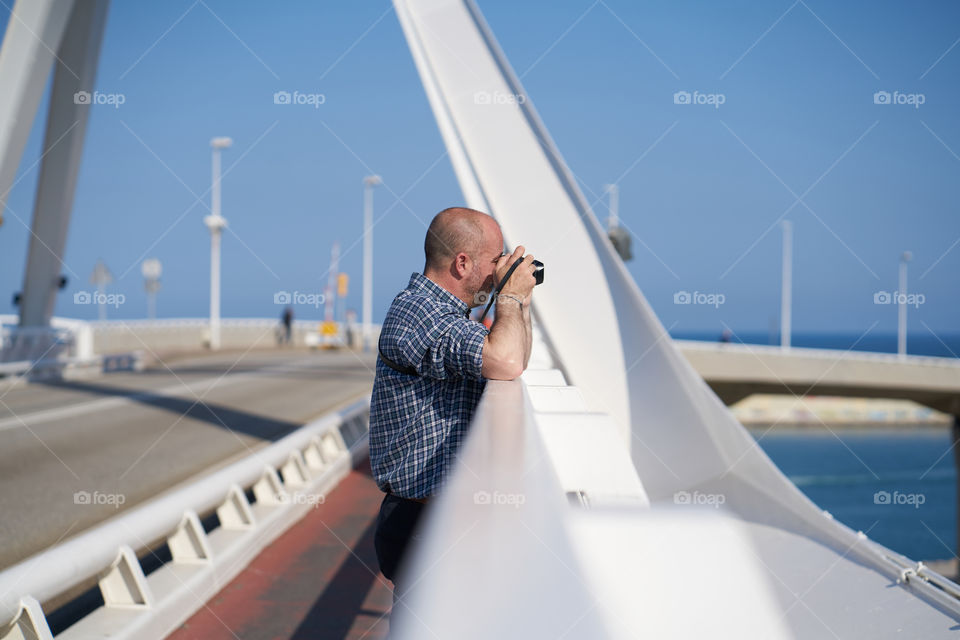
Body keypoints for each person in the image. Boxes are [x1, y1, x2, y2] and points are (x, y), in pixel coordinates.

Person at [369, 206, 536, 612]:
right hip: (419, 521)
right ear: (462, 263)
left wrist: (520, 303)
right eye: (496, 259)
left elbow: (517, 357)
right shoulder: (421, 314)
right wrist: (510, 296)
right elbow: (506, 361)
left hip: (430, 516)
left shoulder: (445, 313)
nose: (500, 270)